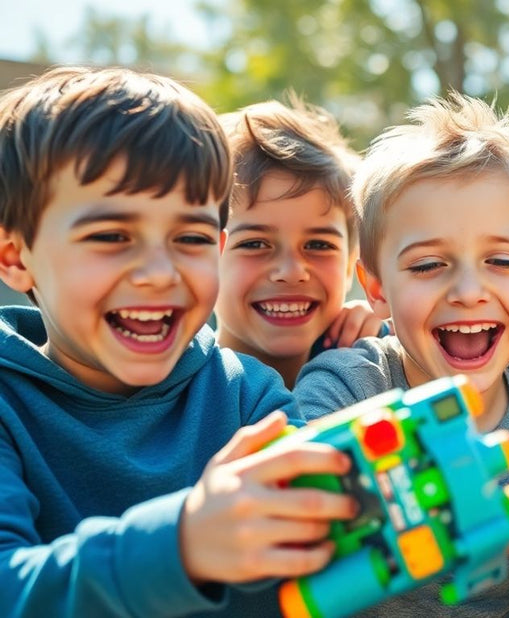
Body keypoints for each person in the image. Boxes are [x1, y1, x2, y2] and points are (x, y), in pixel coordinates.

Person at [0, 66, 357, 616]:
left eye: (188, 238)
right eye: (112, 236)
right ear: (16, 257)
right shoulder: (9, 406)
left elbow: (340, 542)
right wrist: (184, 544)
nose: (159, 272)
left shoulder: (248, 397)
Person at [293, 93, 509, 616]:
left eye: (503, 260)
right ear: (374, 287)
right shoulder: (348, 385)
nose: (468, 291)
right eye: (426, 265)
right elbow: (301, 502)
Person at [216, 98, 383, 388]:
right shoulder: (173, 393)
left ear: (349, 266)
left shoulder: (374, 366)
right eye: (255, 244)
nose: (291, 271)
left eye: (318, 245)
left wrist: (382, 334)